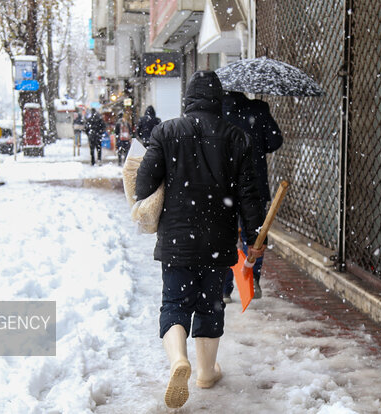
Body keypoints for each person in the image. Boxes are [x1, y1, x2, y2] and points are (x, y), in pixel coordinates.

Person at [135, 71, 265, 409]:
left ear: (188, 99)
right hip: (218, 240)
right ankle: (206, 372)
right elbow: (250, 195)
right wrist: (253, 237)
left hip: (177, 239)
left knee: (175, 304)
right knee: (210, 305)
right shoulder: (237, 137)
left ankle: (179, 359)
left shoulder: (166, 132)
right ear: (218, 100)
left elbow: (143, 185)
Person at [221, 91, 284, 303]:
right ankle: (252, 280)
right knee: (255, 234)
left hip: (225, 185)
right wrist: (257, 144)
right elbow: (275, 141)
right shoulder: (258, 109)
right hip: (254, 182)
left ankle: (224, 288)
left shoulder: (218, 111)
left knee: (227, 234)